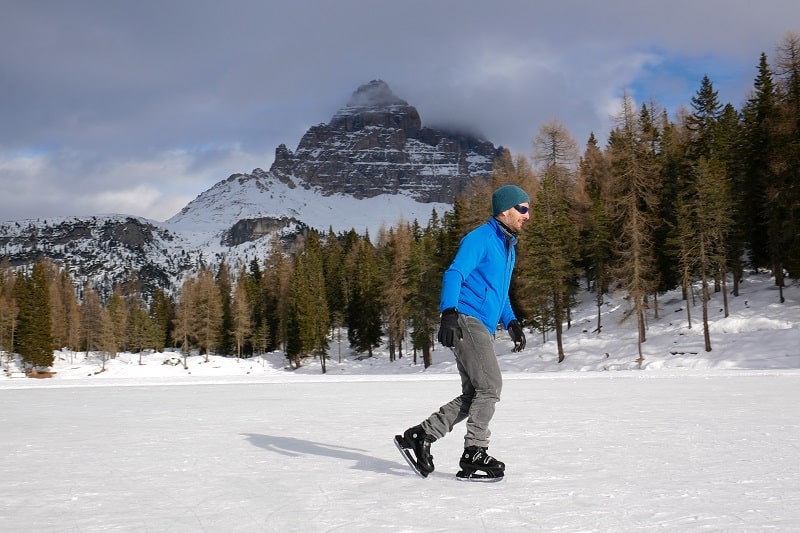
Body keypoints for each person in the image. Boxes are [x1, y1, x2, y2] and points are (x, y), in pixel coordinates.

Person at [396, 184, 529, 480]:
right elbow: (454, 273)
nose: (527, 215)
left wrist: (511, 321)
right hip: (467, 319)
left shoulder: (507, 246)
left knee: (475, 394)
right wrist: (448, 313)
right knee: (490, 387)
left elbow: (500, 292)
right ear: (505, 210)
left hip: (482, 323)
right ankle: (474, 452)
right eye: (522, 208)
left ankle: (421, 436)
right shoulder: (480, 239)